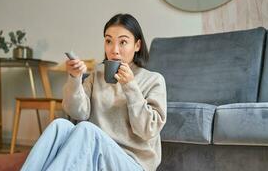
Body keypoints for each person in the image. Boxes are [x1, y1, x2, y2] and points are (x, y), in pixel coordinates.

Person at [20, 13, 167, 171]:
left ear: (137, 45)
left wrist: (130, 86)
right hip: (94, 155)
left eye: (123, 42)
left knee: (86, 129)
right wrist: (75, 78)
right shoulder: (97, 75)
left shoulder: (153, 80)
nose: (114, 50)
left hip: (132, 163)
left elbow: (148, 130)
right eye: (109, 41)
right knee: (59, 125)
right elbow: (77, 112)